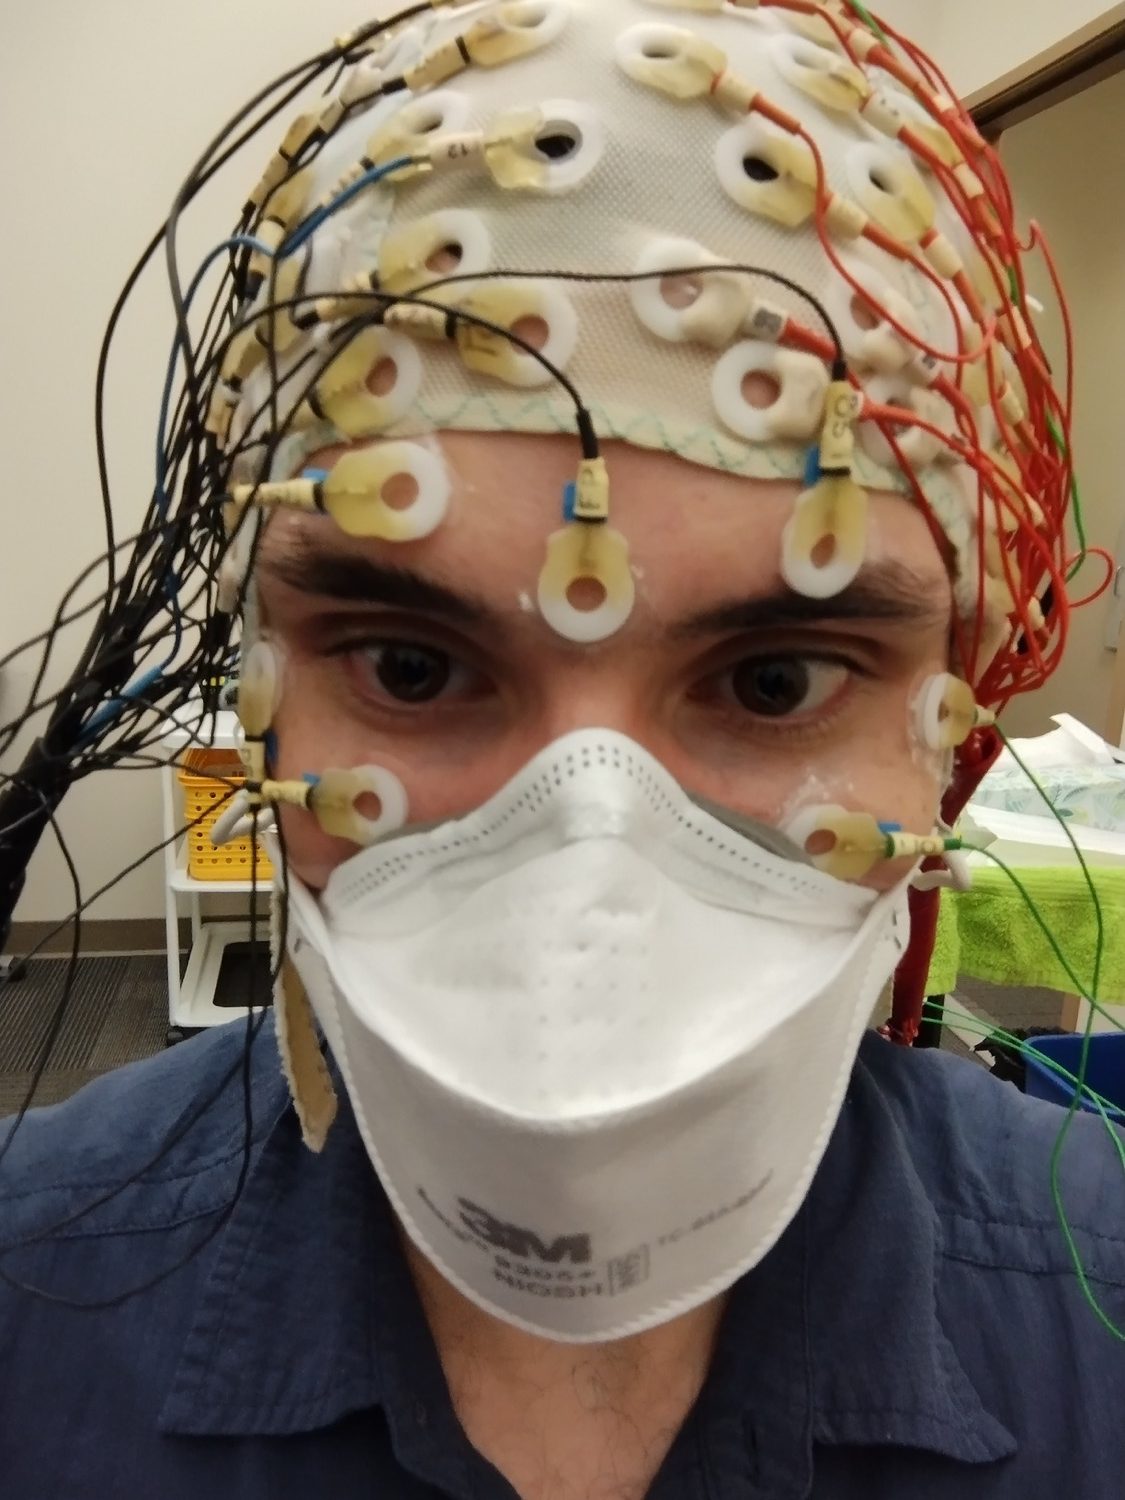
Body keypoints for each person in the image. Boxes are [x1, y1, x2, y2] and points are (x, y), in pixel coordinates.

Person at [2, 2, 1124, 1496]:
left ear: (955, 725)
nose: (581, 885)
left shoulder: (1090, 1328)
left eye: (779, 678)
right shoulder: (35, 1302)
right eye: (411, 665)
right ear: (264, 681)